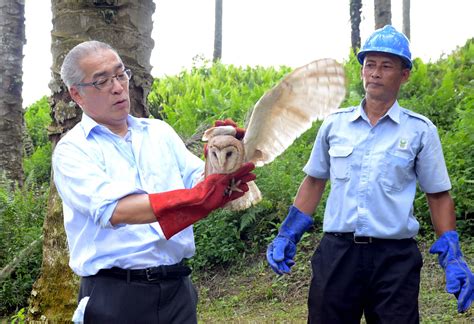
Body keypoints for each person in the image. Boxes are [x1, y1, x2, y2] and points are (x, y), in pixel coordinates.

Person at [266, 25, 473, 323]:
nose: (375, 72)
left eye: (386, 65)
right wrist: (288, 233)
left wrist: (452, 254)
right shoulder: (334, 125)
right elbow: (314, 181)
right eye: (369, 64)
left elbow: (438, 195)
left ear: (404, 75)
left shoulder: (420, 130)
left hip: (395, 260)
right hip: (338, 254)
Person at [52, 40, 256, 323]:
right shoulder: (73, 150)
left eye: (120, 74)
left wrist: (222, 154)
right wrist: (193, 199)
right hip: (116, 295)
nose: (117, 86)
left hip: (177, 290)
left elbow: (202, 182)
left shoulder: (159, 133)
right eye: (101, 81)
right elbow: (115, 210)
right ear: (77, 94)